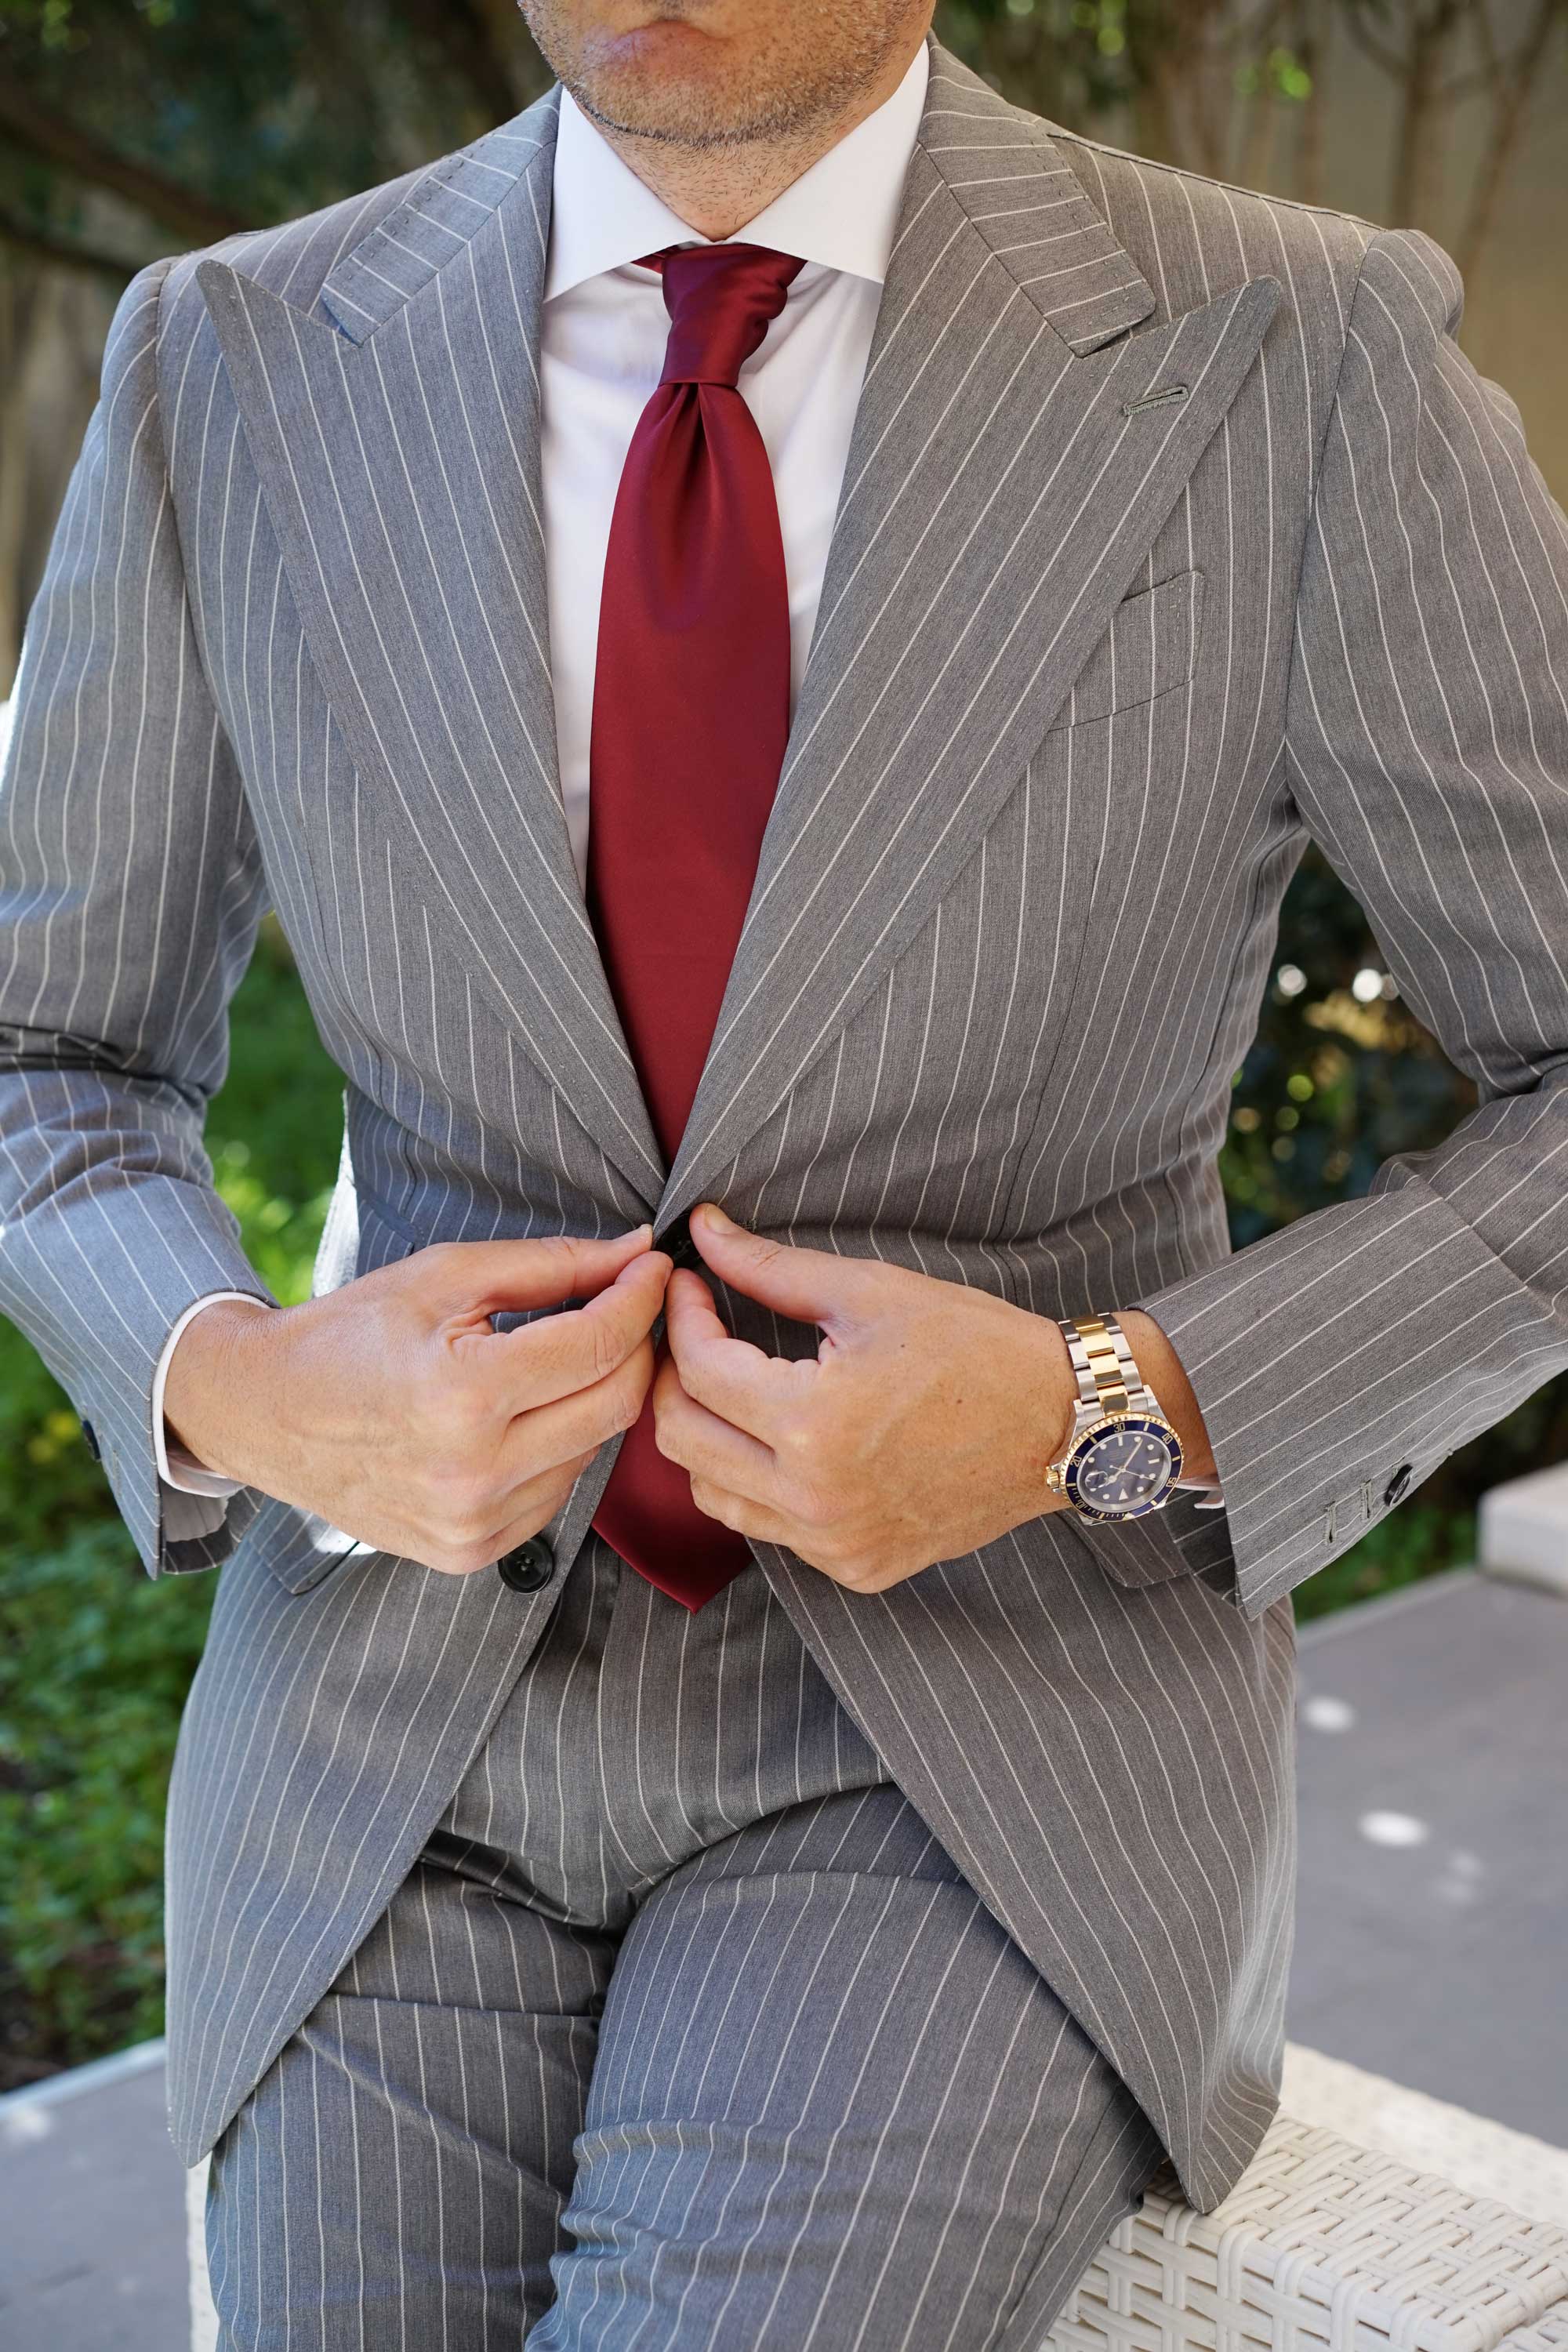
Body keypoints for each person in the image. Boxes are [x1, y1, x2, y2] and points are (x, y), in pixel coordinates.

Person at [2, 0, 1565, 2341]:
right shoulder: (232, 352)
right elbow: (50, 1047)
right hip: (388, 1727)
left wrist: (1098, 1407)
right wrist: (238, 1384)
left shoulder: (1297, 352)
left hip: (986, 1732)